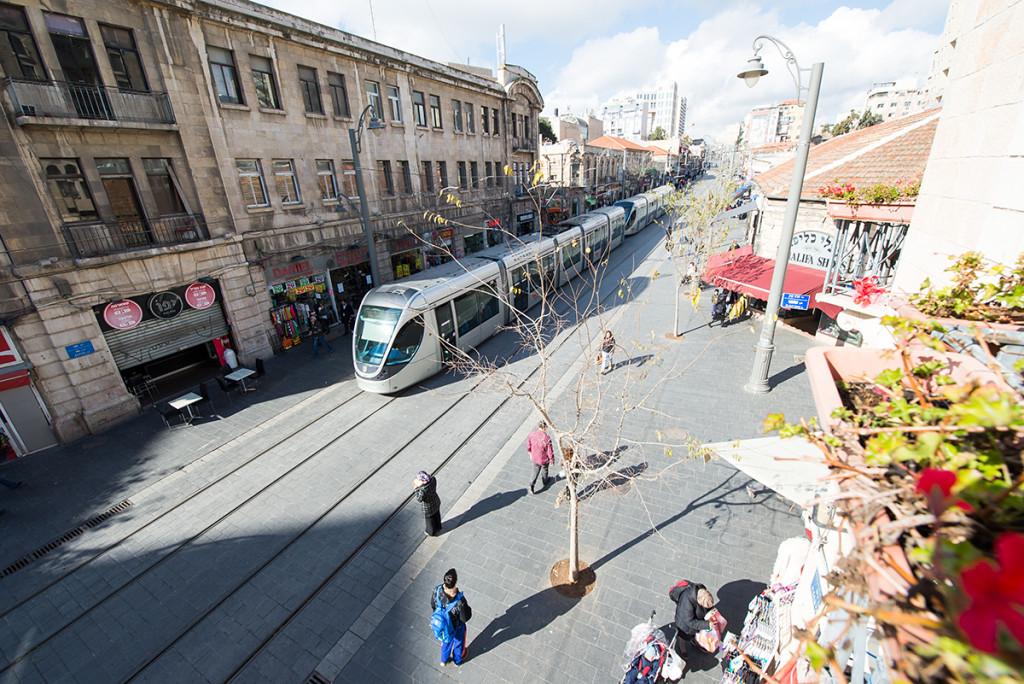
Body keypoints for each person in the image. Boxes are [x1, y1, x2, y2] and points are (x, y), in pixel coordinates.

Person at [432, 568, 472, 667]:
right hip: (456, 627)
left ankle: (444, 660)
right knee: (459, 643)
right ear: (456, 582)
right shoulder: (459, 601)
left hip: (443, 626)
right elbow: (465, 618)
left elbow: (433, 605)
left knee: (445, 642)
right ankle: (457, 660)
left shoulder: (437, 591)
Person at [669, 580, 715, 660]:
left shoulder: (702, 592)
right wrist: (707, 625)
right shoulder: (687, 602)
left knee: (695, 633)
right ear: (699, 602)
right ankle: (682, 649)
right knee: (683, 636)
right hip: (684, 624)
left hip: (695, 621)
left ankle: (695, 642)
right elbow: (689, 621)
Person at [526, 421, 554, 494]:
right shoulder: (546, 438)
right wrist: (552, 460)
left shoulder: (532, 434)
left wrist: (529, 451)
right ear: (545, 428)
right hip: (543, 459)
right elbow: (550, 451)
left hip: (534, 457)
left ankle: (531, 484)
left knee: (535, 470)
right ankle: (545, 481)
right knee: (545, 470)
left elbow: (528, 444)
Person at [414, 470, 442, 536]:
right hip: (436, 501)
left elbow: (419, 499)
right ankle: (438, 527)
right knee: (437, 514)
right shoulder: (433, 479)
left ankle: (431, 532)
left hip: (428, 507)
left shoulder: (422, 489)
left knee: (430, 519)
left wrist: (416, 489)